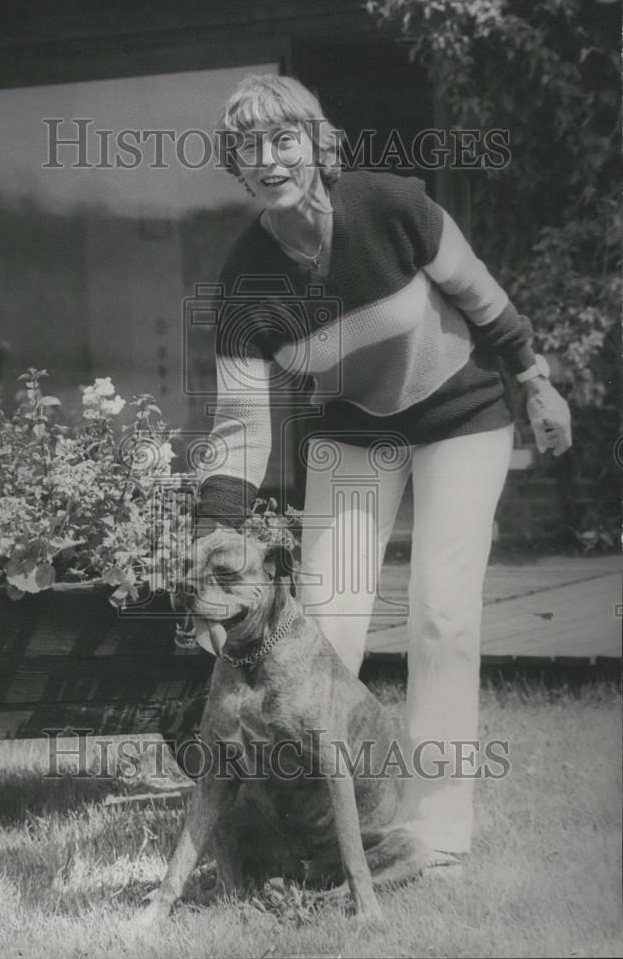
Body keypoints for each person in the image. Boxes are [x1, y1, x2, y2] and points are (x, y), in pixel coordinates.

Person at [192, 74, 571, 871]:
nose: (268, 159)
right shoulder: (244, 282)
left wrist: (534, 379)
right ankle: (329, 829)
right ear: (236, 163)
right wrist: (211, 547)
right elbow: (239, 427)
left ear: (317, 142)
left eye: (283, 139)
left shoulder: (393, 205)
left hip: (460, 420)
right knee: (325, 626)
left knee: (442, 615)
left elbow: (481, 295)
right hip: (351, 436)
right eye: (249, 147)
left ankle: (436, 830)